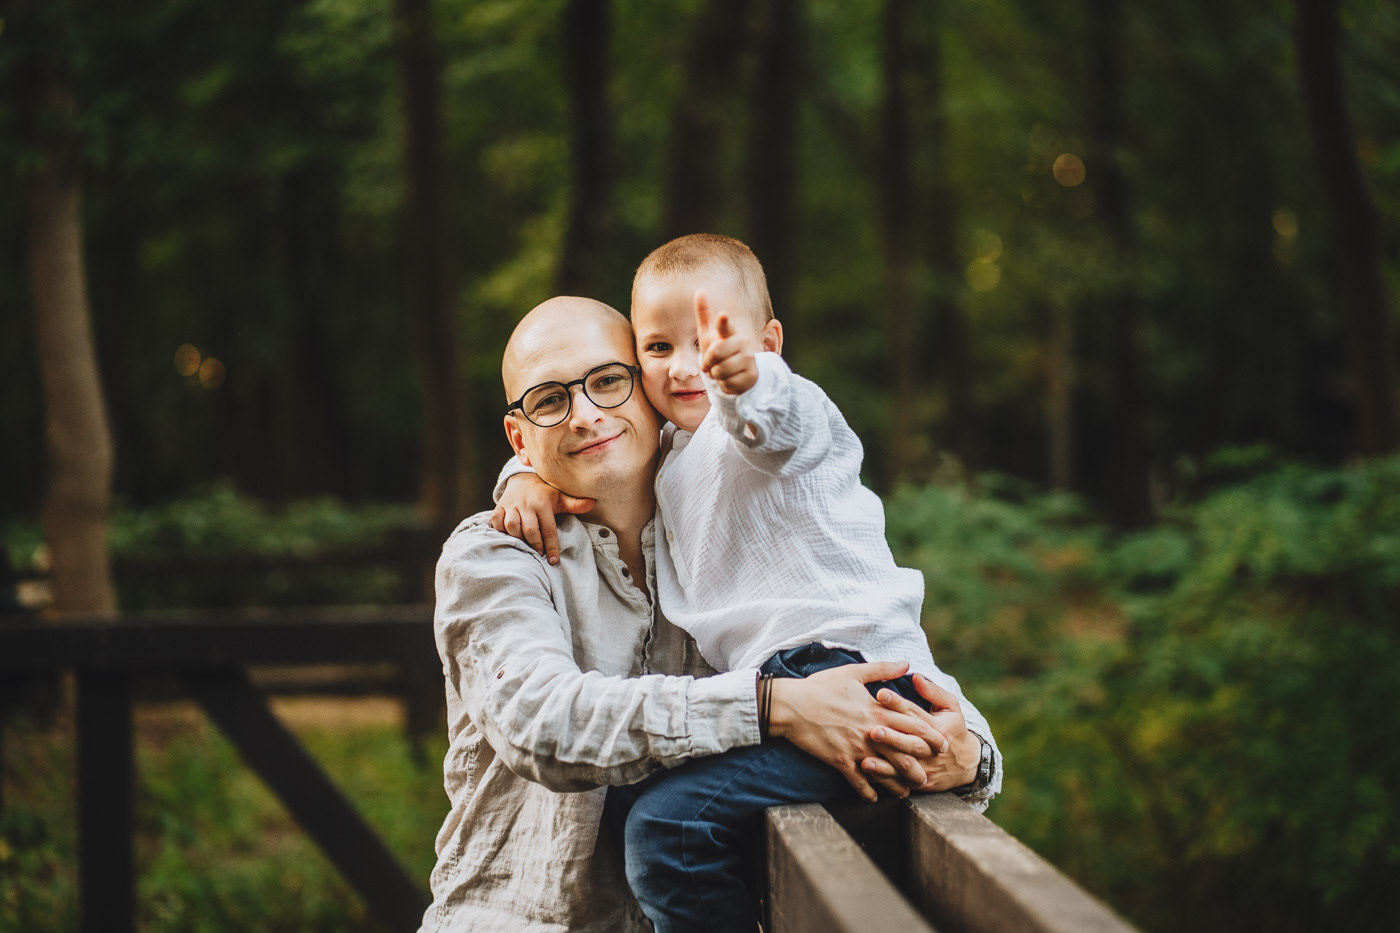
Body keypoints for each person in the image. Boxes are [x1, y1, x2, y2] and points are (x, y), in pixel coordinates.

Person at [492, 235, 1000, 933]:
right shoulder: (669, 452)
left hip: (853, 678)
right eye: (659, 347)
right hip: (791, 691)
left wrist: (747, 380)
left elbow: (774, 423)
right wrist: (523, 479)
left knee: (669, 834)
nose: (686, 365)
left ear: (769, 342)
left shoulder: (778, 419)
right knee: (629, 799)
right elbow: (582, 440)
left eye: (710, 342)